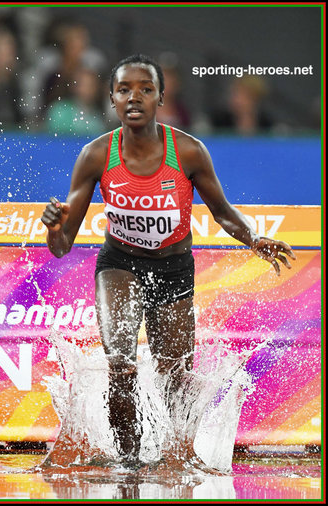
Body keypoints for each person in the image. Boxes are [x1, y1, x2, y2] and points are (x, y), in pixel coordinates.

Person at [41, 54, 296, 470]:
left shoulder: (189, 152)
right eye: (125, 89)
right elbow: (62, 245)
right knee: (121, 368)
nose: (134, 97)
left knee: (176, 381)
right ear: (112, 99)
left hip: (174, 270)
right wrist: (54, 228)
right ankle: (128, 468)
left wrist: (253, 237)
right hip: (119, 263)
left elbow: (222, 210)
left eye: (145, 89)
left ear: (161, 98)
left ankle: (174, 462)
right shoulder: (95, 156)